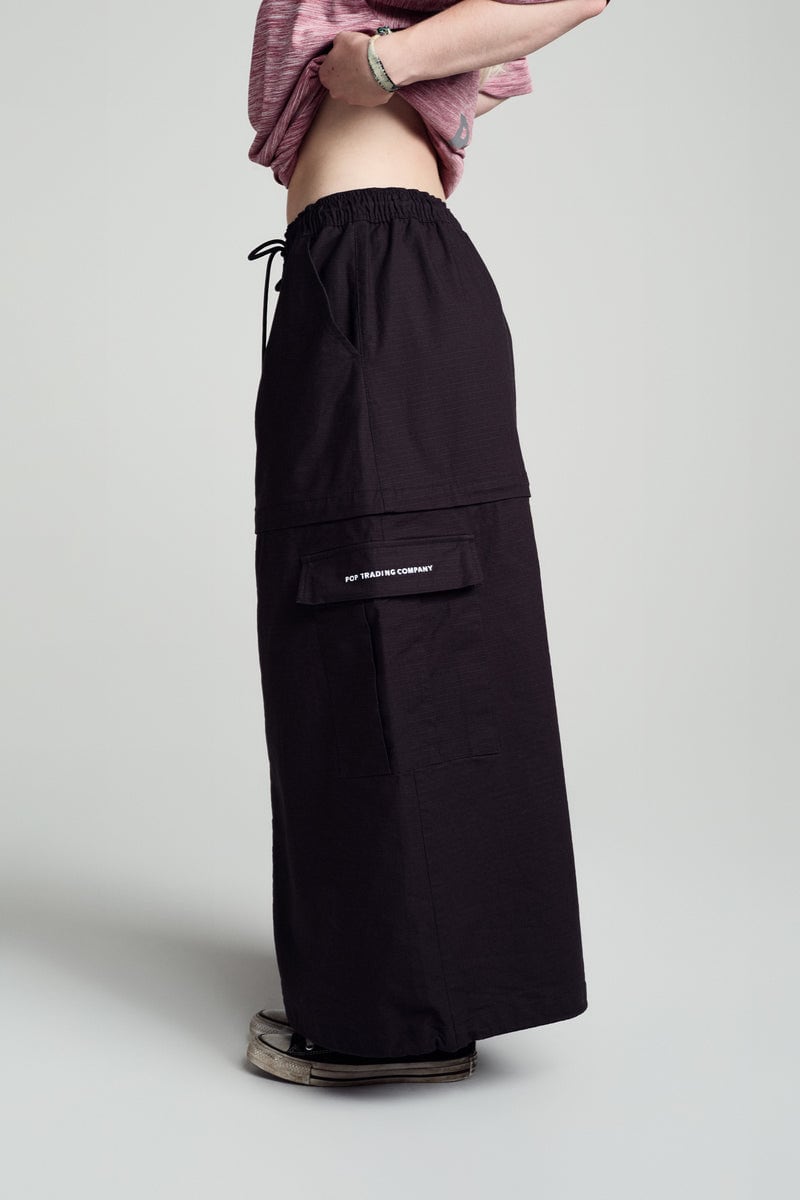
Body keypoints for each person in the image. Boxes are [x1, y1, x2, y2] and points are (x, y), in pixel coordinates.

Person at [244, 0, 610, 1088]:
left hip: (377, 266)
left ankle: (399, 1023)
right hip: (357, 268)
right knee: (351, 624)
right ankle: (403, 984)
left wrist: (385, 63)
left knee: (384, 618)